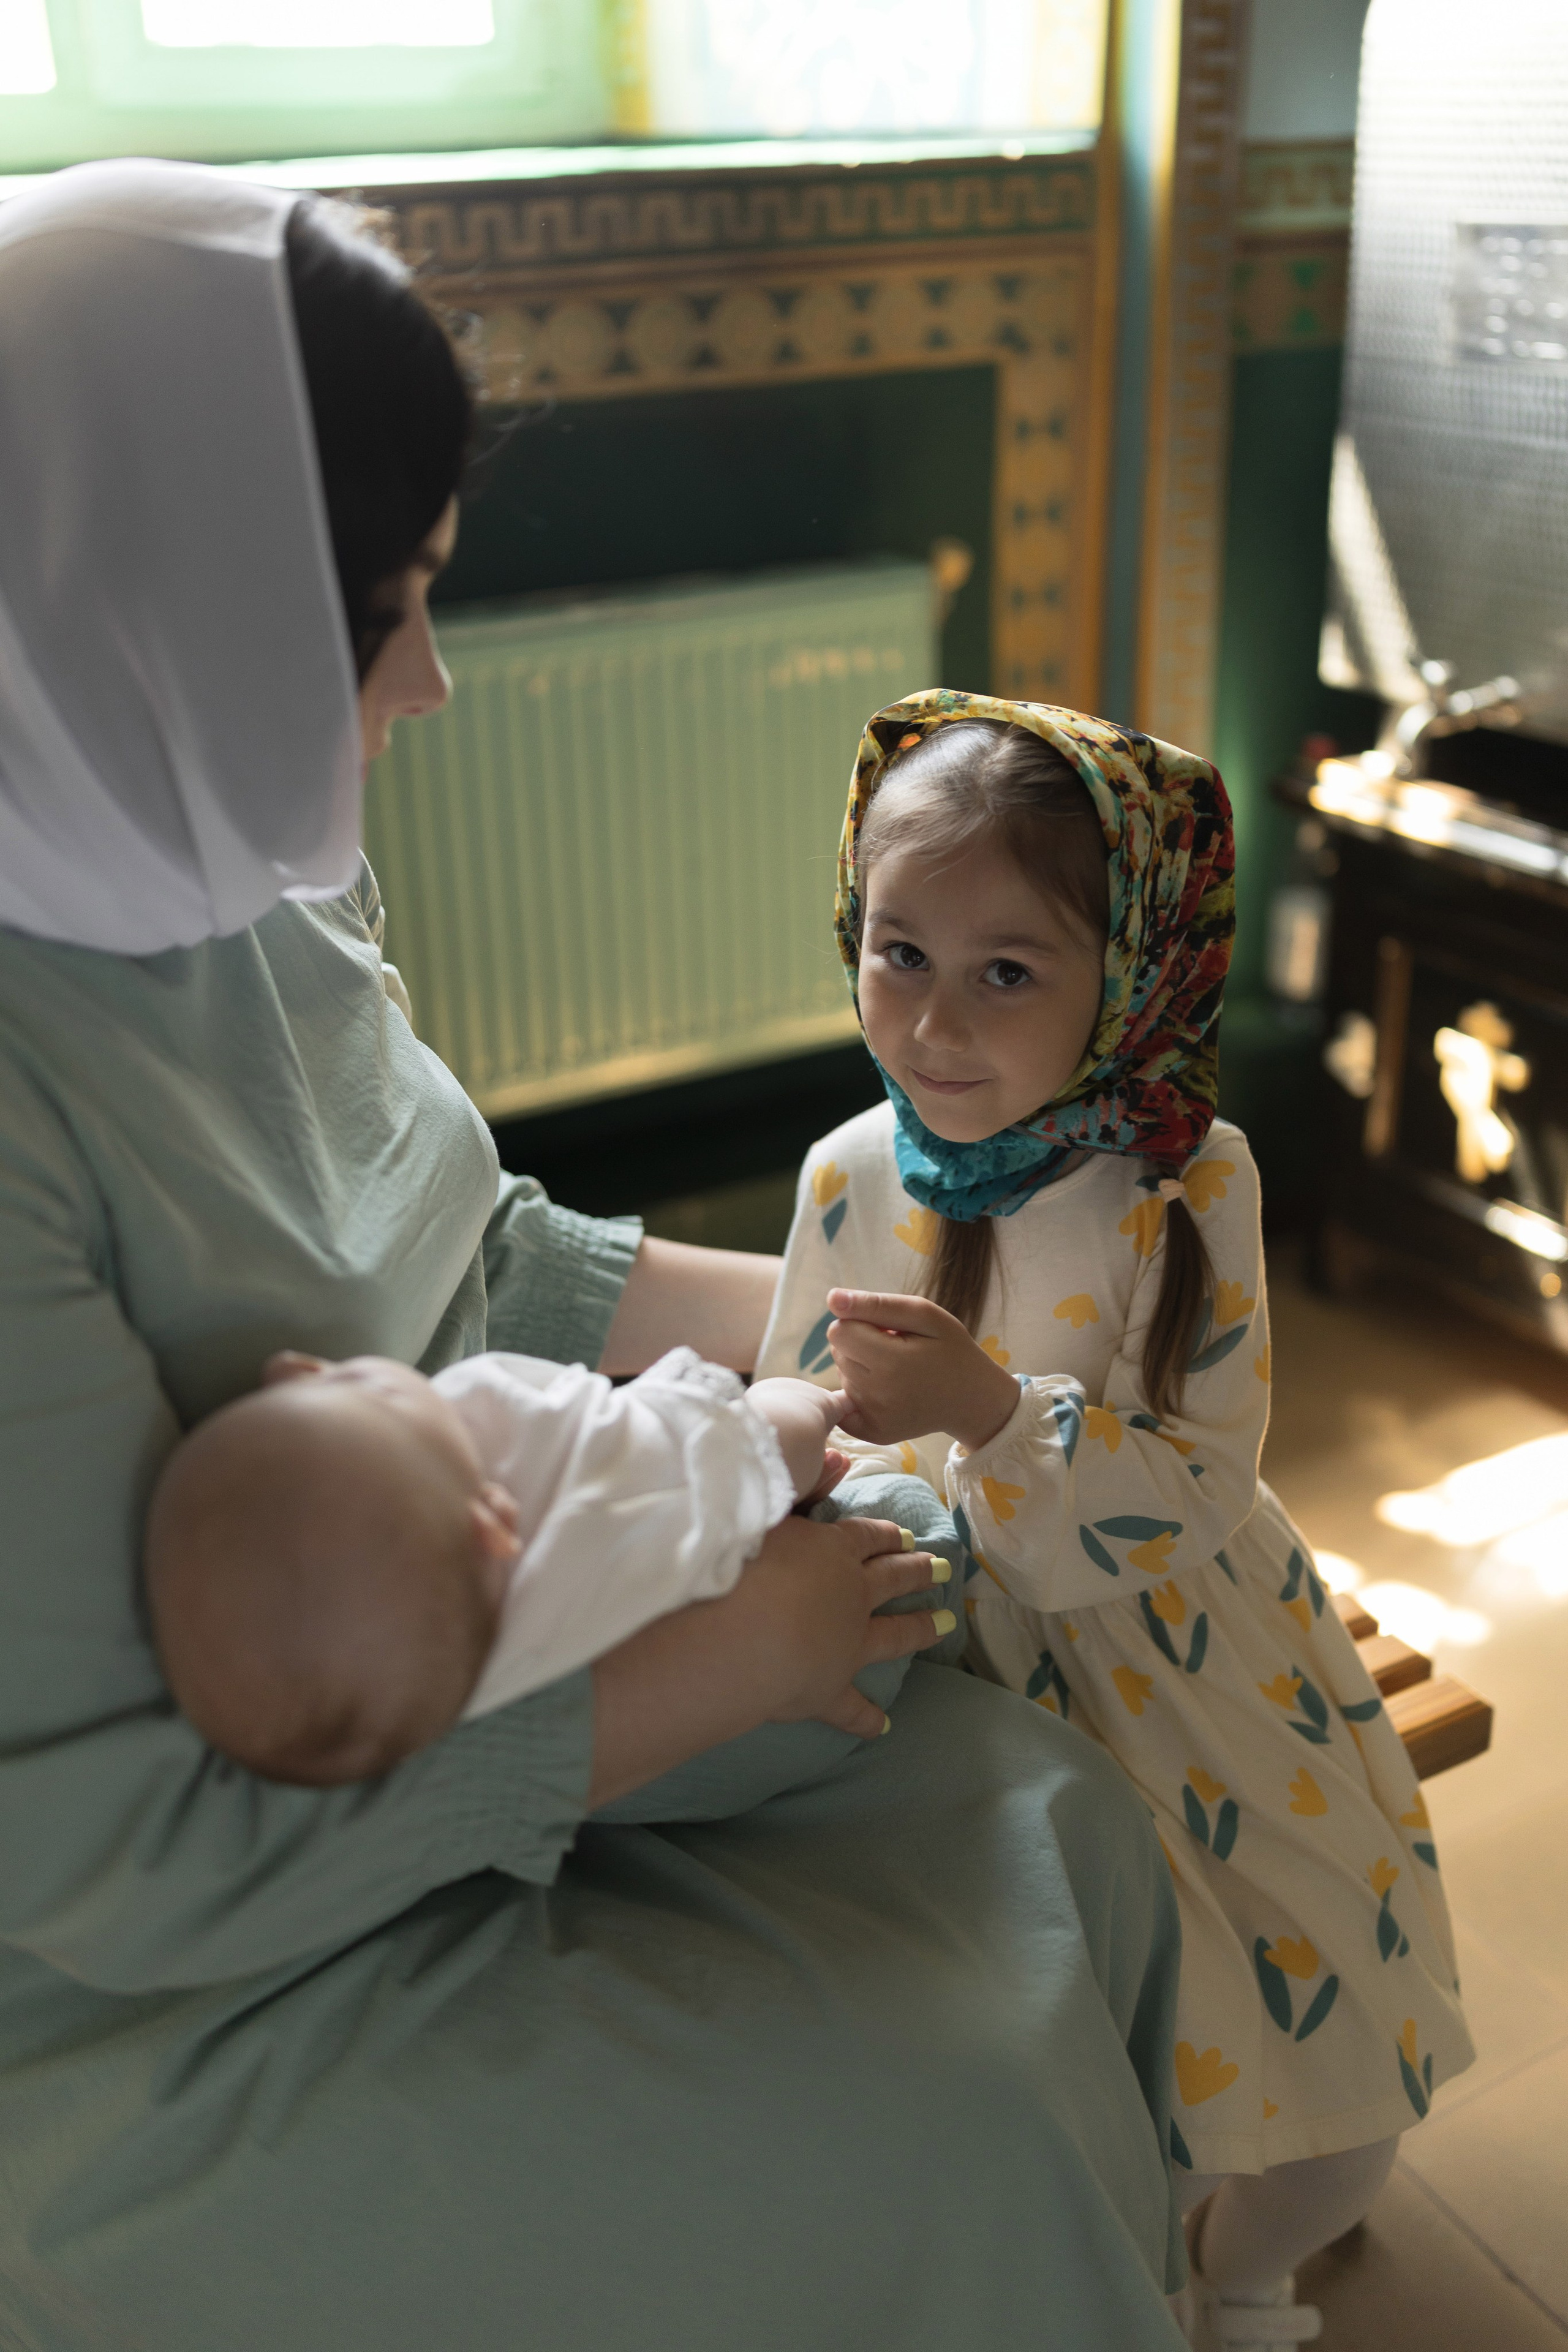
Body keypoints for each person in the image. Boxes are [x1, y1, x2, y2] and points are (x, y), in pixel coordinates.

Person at [0, 164, 1194, 2349]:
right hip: (166, 1976)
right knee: (950, 2125)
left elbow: (470, 1251)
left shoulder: (210, 861)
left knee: (1066, 1820)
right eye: (385, 612)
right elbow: (117, 1854)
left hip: (476, 1655)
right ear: (152, 601)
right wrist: (719, 1664)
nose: (432, 681)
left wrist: (947, 1330)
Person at [757, 695, 1477, 2351]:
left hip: (1193, 1670)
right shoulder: (845, 1172)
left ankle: (1247, 2272)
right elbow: (796, 1413)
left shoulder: (1189, 1185)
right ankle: (1130, 2282)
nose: (932, 1022)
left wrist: (991, 1415)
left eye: (1007, 970)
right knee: (1094, 2080)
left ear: (1131, 975)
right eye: (897, 952)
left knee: (1339, 2063)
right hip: (957, 1678)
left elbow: (1204, 1476)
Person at [145, 1340, 957, 1784]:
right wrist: (800, 1401)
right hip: (791, 1697)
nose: (295, 1364)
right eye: (371, 1392)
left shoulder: (404, 1672)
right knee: (914, 1518)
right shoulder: (551, 1494)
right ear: (494, 1522)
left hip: (667, 1775)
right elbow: (731, 1443)